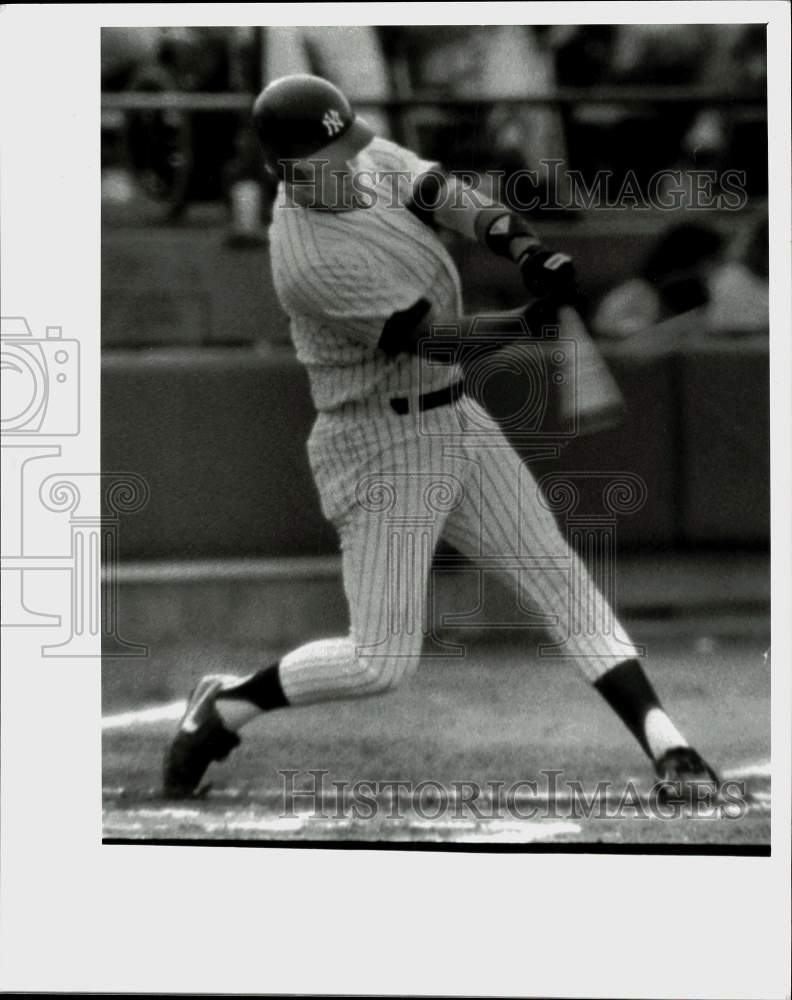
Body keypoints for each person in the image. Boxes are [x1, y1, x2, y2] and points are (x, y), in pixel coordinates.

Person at [163, 75, 719, 803]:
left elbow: (442, 195)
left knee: (556, 575)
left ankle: (669, 746)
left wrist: (524, 246)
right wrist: (530, 323)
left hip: (453, 417)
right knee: (381, 661)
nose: (353, 158)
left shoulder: (358, 157)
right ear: (294, 172)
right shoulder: (305, 261)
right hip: (377, 442)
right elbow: (431, 337)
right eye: (333, 153)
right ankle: (228, 705)